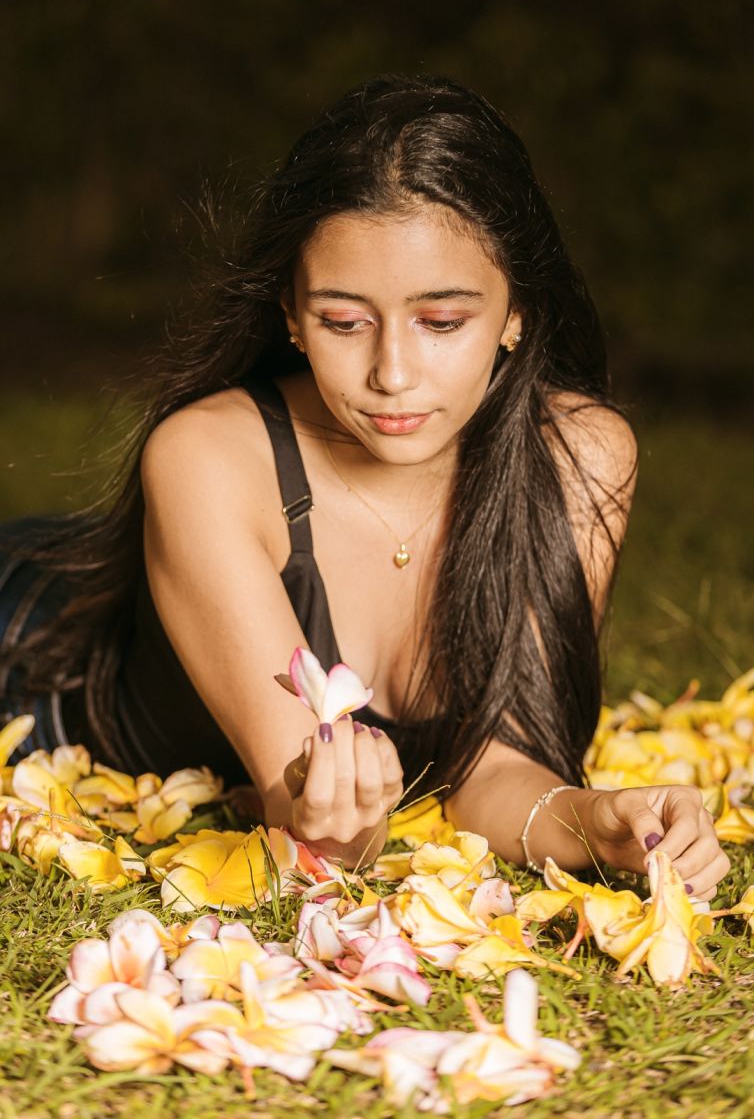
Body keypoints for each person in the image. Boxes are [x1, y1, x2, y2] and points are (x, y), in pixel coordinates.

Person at [0, 74, 729, 897]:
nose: (391, 373)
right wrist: (339, 832)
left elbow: (497, 770)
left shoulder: (583, 455)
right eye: (344, 321)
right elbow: (314, 823)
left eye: (442, 322)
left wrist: (593, 822)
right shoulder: (206, 457)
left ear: (516, 310)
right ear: (291, 313)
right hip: (24, 649)